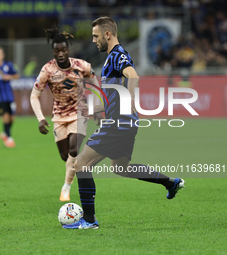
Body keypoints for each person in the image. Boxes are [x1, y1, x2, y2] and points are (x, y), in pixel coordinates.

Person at [63, 17, 185, 229]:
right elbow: (114, 96)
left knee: (80, 164)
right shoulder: (112, 57)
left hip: (118, 123)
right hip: (124, 123)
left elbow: (133, 76)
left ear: (107, 35)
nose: (93, 40)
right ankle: (171, 182)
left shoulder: (118, 55)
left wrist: (129, 101)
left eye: (95, 36)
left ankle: (89, 221)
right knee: (121, 168)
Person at [30, 26, 101, 201]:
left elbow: (96, 86)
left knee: (73, 149)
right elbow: (34, 95)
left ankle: (66, 188)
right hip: (59, 116)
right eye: (57, 51)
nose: (60, 54)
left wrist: (98, 109)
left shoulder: (82, 66)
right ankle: (80, 167)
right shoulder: (47, 70)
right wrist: (40, 118)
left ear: (68, 49)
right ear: (53, 51)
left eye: (63, 50)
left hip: (80, 112)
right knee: (66, 157)